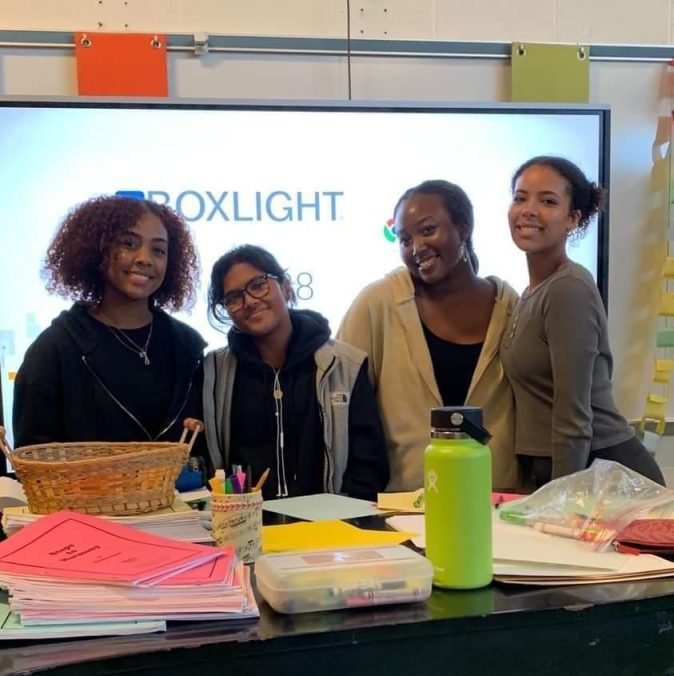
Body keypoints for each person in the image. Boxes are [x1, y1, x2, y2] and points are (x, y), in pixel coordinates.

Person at [337, 179, 519, 493]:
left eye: (427, 230)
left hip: (496, 503)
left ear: (463, 229)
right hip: (405, 507)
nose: (417, 248)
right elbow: (340, 405)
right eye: (405, 239)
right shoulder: (377, 304)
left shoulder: (510, 306)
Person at [501, 156, 664, 489]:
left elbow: (573, 418)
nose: (529, 209)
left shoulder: (567, 289)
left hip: (602, 473)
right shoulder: (531, 293)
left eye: (547, 201)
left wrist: (561, 500)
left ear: (572, 218)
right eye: (520, 197)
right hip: (563, 470)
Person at [13, 195, 205, 448]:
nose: (145, 258)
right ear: (98, 250)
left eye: (158, 250)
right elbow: (34, 460)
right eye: (129, 243)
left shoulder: (187, 347)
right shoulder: (55, 349)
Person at [202, 244, 389, 500]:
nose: (249, 301)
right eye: (234, 298)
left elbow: (369, 462)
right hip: (245, 526)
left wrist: (347, 519)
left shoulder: (345, 365)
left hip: (333, 528)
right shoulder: (213, 372)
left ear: (286, 287)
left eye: (258, 284)